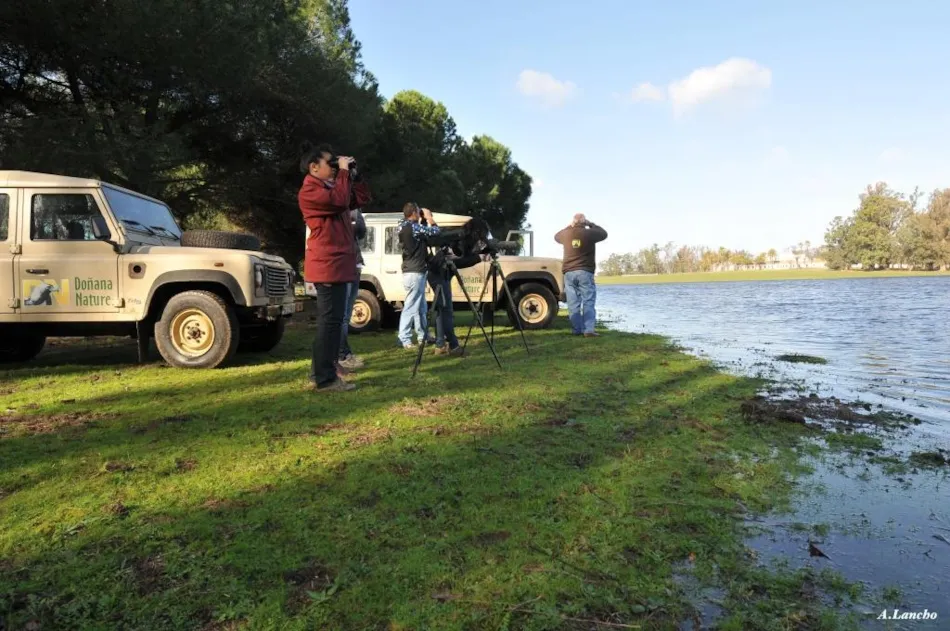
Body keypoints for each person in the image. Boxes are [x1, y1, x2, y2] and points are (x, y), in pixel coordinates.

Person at [298, 143, 371, 392]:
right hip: (328, 264)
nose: (334, 167)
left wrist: (354, 175)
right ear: (313, 167)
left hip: (338, 263)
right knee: (330, 323)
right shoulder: (310, 191)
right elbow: (340, 201)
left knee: (333, 321)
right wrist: (341, 172)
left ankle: (319, 373)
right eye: (330, 163)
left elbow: (359, 199)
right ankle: (325, 379)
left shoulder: (330, 188)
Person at [555, 213, 608, 337]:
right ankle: (588, 330)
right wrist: (591, 224)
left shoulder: (565, 234)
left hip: (569, 273)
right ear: (584, 222)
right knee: (588, 300)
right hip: (585, 271)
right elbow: (603, 233)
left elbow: (556, 236)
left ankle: (576, 330)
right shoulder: (590, 233)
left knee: (573, 302)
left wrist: (569, 226)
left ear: (573, 222)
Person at [397, 202, 440, 349]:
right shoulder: (414, 227)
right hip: (416, 271)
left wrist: (421, 219)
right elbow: (435, 232)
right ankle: (405, 338)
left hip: (409, 270)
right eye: (418, 211)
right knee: (411, 306)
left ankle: (423, 336)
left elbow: (419, 237)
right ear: (414, 213)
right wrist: (429, 218)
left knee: (420, 306)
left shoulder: (402, 225)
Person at [337, 208, 366, 371]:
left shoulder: (352, 212)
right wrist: (353, 213)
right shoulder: (337, 215)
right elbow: (354, 229)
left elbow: (361, 231)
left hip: (355, 265)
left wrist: (356, 211)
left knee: (346, 316)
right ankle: (342, 355)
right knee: (342, 316)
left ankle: (344, 353)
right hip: (345, 267)